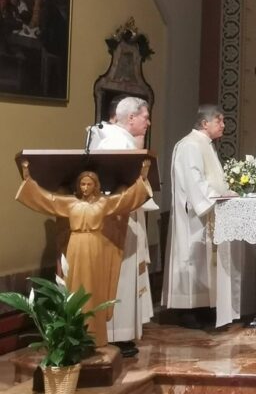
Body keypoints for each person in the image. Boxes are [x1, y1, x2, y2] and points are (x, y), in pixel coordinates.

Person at [15, 159, 153, 347]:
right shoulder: (70, 203)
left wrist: (143, 176)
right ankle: (75, 335)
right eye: (82, 184)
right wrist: (27, 178)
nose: (85, 187)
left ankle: (96, 336)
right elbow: (48, 200)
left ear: (96, 186)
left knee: (94, 286)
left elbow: (124, 200)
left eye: (89, 184)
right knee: (75, 285)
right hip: (75, 246)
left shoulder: (103, 203)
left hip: (95, 246)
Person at [163, 105, 244, 329]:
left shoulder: (205, 144)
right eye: (219, 121)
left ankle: (205, 307)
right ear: (205, 123)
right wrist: (216, 197)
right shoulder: (190, 145)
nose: (223, 125)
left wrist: (225, 191)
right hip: (194, 215)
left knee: (205, 262)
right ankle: (187, 310)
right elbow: (194, 181)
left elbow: (212, 178)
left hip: (209, 210)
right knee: (192, 259)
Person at [94, 97, 158, 357]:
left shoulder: (121, 140)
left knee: (126, 274)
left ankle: (122, 334)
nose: (148, 123)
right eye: (145, 117)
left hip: (125, 217)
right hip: (118, 222)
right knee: (119, 277)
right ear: (131, 118)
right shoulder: (117, 143)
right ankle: (115, 335)